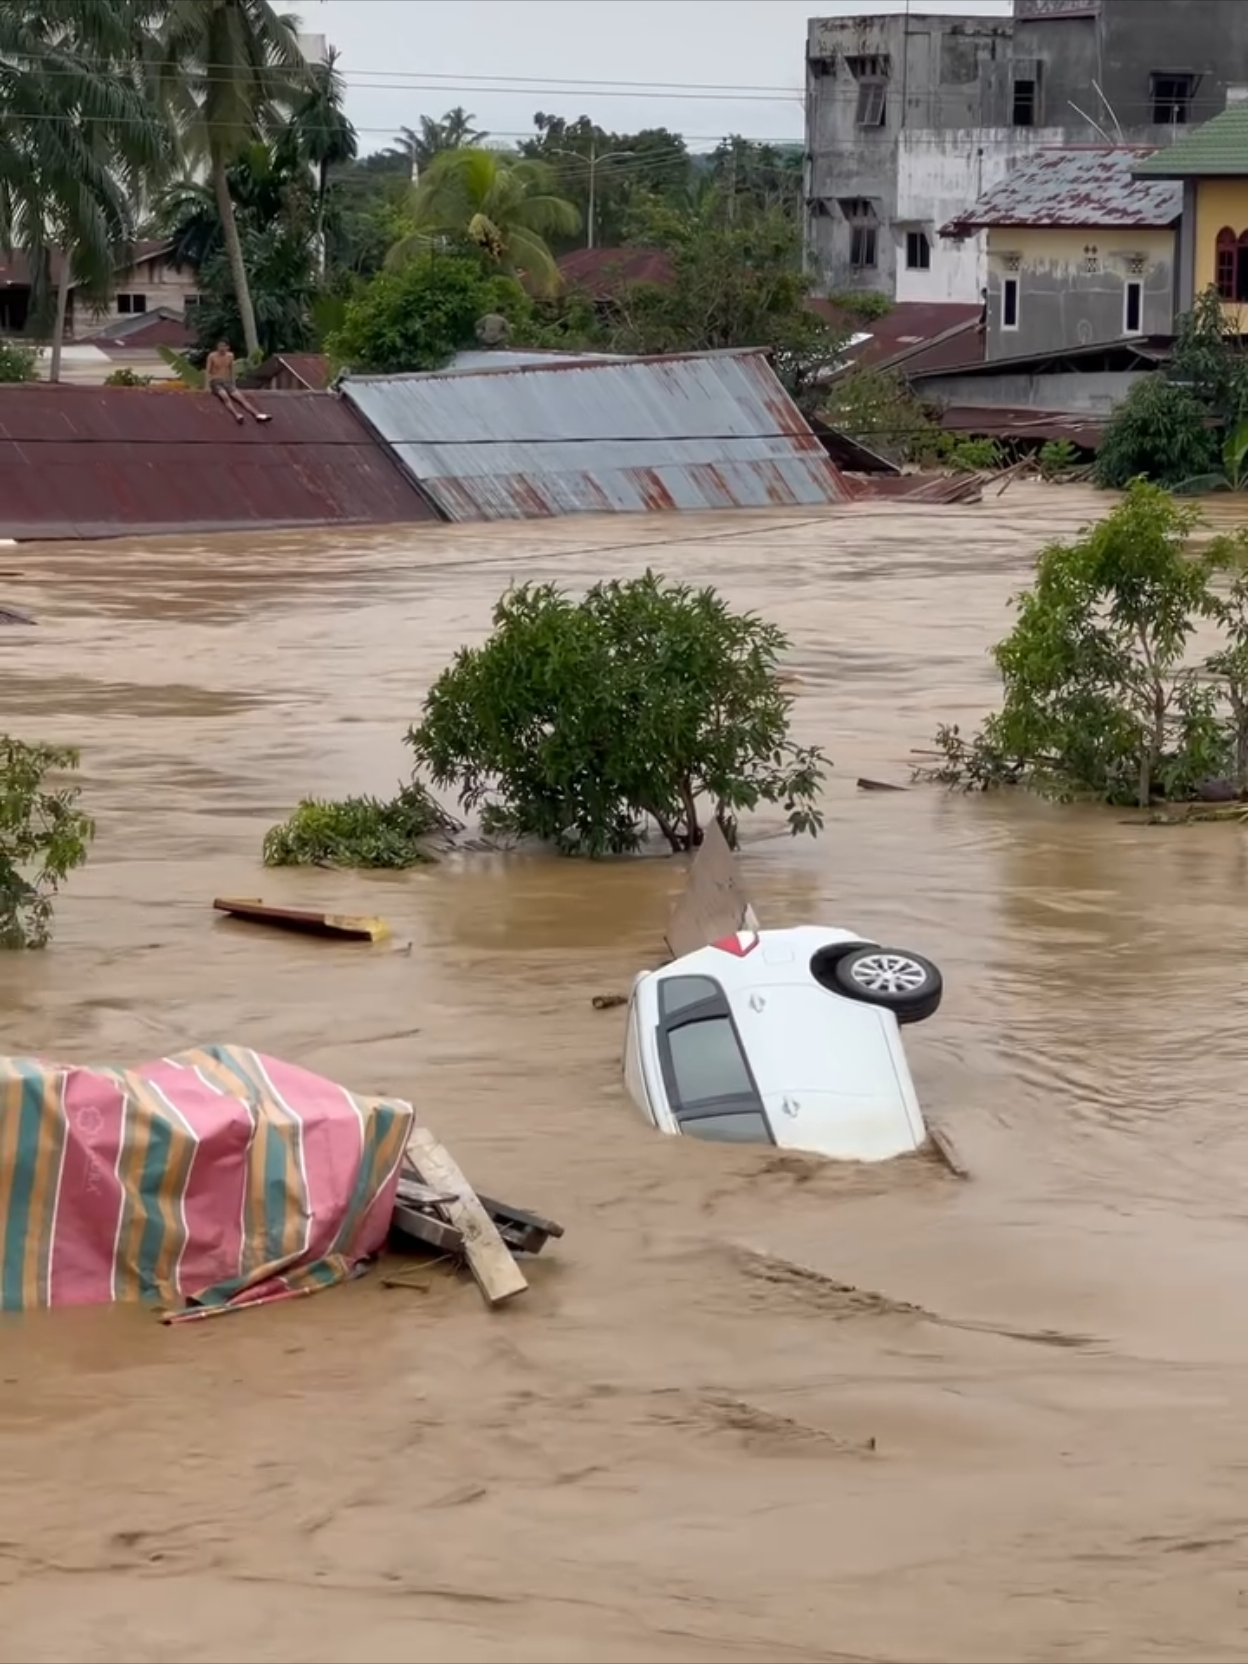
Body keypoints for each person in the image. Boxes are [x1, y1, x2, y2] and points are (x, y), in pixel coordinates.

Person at [205, 341, 272, 425]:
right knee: (225, 397)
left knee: (240, 398)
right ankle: (236, 414)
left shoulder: (230, 356)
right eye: (219, 346)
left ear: (227, 347)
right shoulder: (212, 356)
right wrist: (207, 386)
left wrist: (233, 383)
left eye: (223, 346)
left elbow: (232, 370)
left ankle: (257, 414)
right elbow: (208, 371)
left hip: (227, 382)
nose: (221, 348)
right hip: (216, 381)